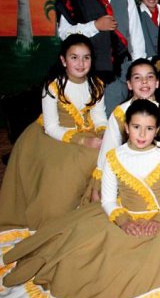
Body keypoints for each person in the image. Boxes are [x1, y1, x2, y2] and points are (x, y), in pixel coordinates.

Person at [2, 99, 160, 298]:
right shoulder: (115, 156)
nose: (142, 134)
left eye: (149, 128)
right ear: (126, 127)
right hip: (124, 216)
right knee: (80, 254)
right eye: (136, 127)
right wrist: (124, 222)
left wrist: (157, 220)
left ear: (157, 130)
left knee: (149, 263)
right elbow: (108, 200)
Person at [0, 34, 107, 233]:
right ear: (63, 61)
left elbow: (99, 116)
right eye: (74, 57)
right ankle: (52, 218)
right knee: (64, 168)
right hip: (52, 135)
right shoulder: (53, 86)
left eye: (86, 57)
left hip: (86, 130)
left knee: (105, 154)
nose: (81, 63)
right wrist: (82, 141)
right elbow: (51, 127)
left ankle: (88, 209)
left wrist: (102, 133)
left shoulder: (96, 84)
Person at [55, 0, 146, 114]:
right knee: (88, 119)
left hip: (119, 70)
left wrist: (138, 67)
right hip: (86, 69)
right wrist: (95, 26)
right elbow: (64, 33)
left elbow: (135, 33)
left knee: (116, 118)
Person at [88, 58, 160, 201]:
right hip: (130, 169)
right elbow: (109, 149)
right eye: (137, 78)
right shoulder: (120, 113)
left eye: (150, 77)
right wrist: (100, 181)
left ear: (157, 82)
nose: (144, 82)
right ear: (129, 84)